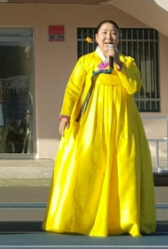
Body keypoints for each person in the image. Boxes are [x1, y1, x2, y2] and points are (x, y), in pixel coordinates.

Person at [44, 20, 156, 237]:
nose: (108, 37)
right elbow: (73, 89)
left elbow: (133, 87)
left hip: (123, 124)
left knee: (124, 168)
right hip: (91, 124)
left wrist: (119, 66)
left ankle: (123, 220)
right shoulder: (86, 62)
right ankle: (84, 219)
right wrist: (65, 115)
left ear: (119, 38)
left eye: (113, 33)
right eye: (104, 33)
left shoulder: (129, 62)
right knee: (89, 168)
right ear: (96, 38)